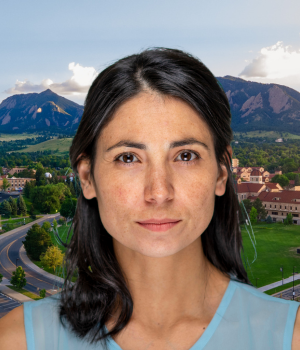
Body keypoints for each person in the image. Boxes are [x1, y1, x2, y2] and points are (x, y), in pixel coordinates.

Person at [0, 48, 299, 350]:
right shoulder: (18, 340)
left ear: (222, 173)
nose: (158, 192)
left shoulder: (290, 337)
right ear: (87, 177)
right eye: (128, 158)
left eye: (185, 156)